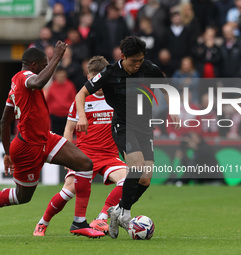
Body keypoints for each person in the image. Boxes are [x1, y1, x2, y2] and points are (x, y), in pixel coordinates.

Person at [0, 41, 93, 227]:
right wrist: (56, 57)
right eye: (44, 66)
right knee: (22, 197)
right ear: (34, 65)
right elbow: (38, 83)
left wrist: (7, 152)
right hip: (28, 148)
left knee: (85, 164)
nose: (45, 69)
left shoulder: (15, 83)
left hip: (46, 139)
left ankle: (79, 222)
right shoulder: (25, 77)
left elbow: (4, 121)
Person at [75, 36, 180, 239]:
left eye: (140, 60)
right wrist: (82, 117)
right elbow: (81, 94)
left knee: (146, 179)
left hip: (144, 127)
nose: (137, 65)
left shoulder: (149, 68)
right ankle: (125, 213)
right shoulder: (109, 73)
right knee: (137, 166)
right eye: (134, 61)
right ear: (122, 57)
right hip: (123, 125)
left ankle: (117, 210)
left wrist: (173, 110)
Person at [33, 56, 127, 238]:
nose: (98, 84)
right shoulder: (81, 100)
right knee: (68, 192)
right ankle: (42, 223)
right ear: (88, 77)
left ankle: (100, 218)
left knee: (129, 180)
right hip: (84, 156)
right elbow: (68, 130)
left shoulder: (115, 99)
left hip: (109, 156)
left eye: (101, 79)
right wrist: (68, 156)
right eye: (93, 79)